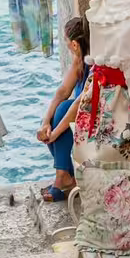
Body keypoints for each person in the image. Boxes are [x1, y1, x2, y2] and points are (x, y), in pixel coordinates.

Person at [36, 14, 89, 201]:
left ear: (75, 44)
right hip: (77, 111)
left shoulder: (95, 64)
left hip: (91, 112)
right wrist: (45, 124)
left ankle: (62, 177)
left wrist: (55, 134)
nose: (65, 45)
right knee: (56, 111)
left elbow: (78, 104)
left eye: (66, 41)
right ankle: (65, 176)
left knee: (64, 109)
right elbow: (63, 90)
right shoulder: (78, 60)